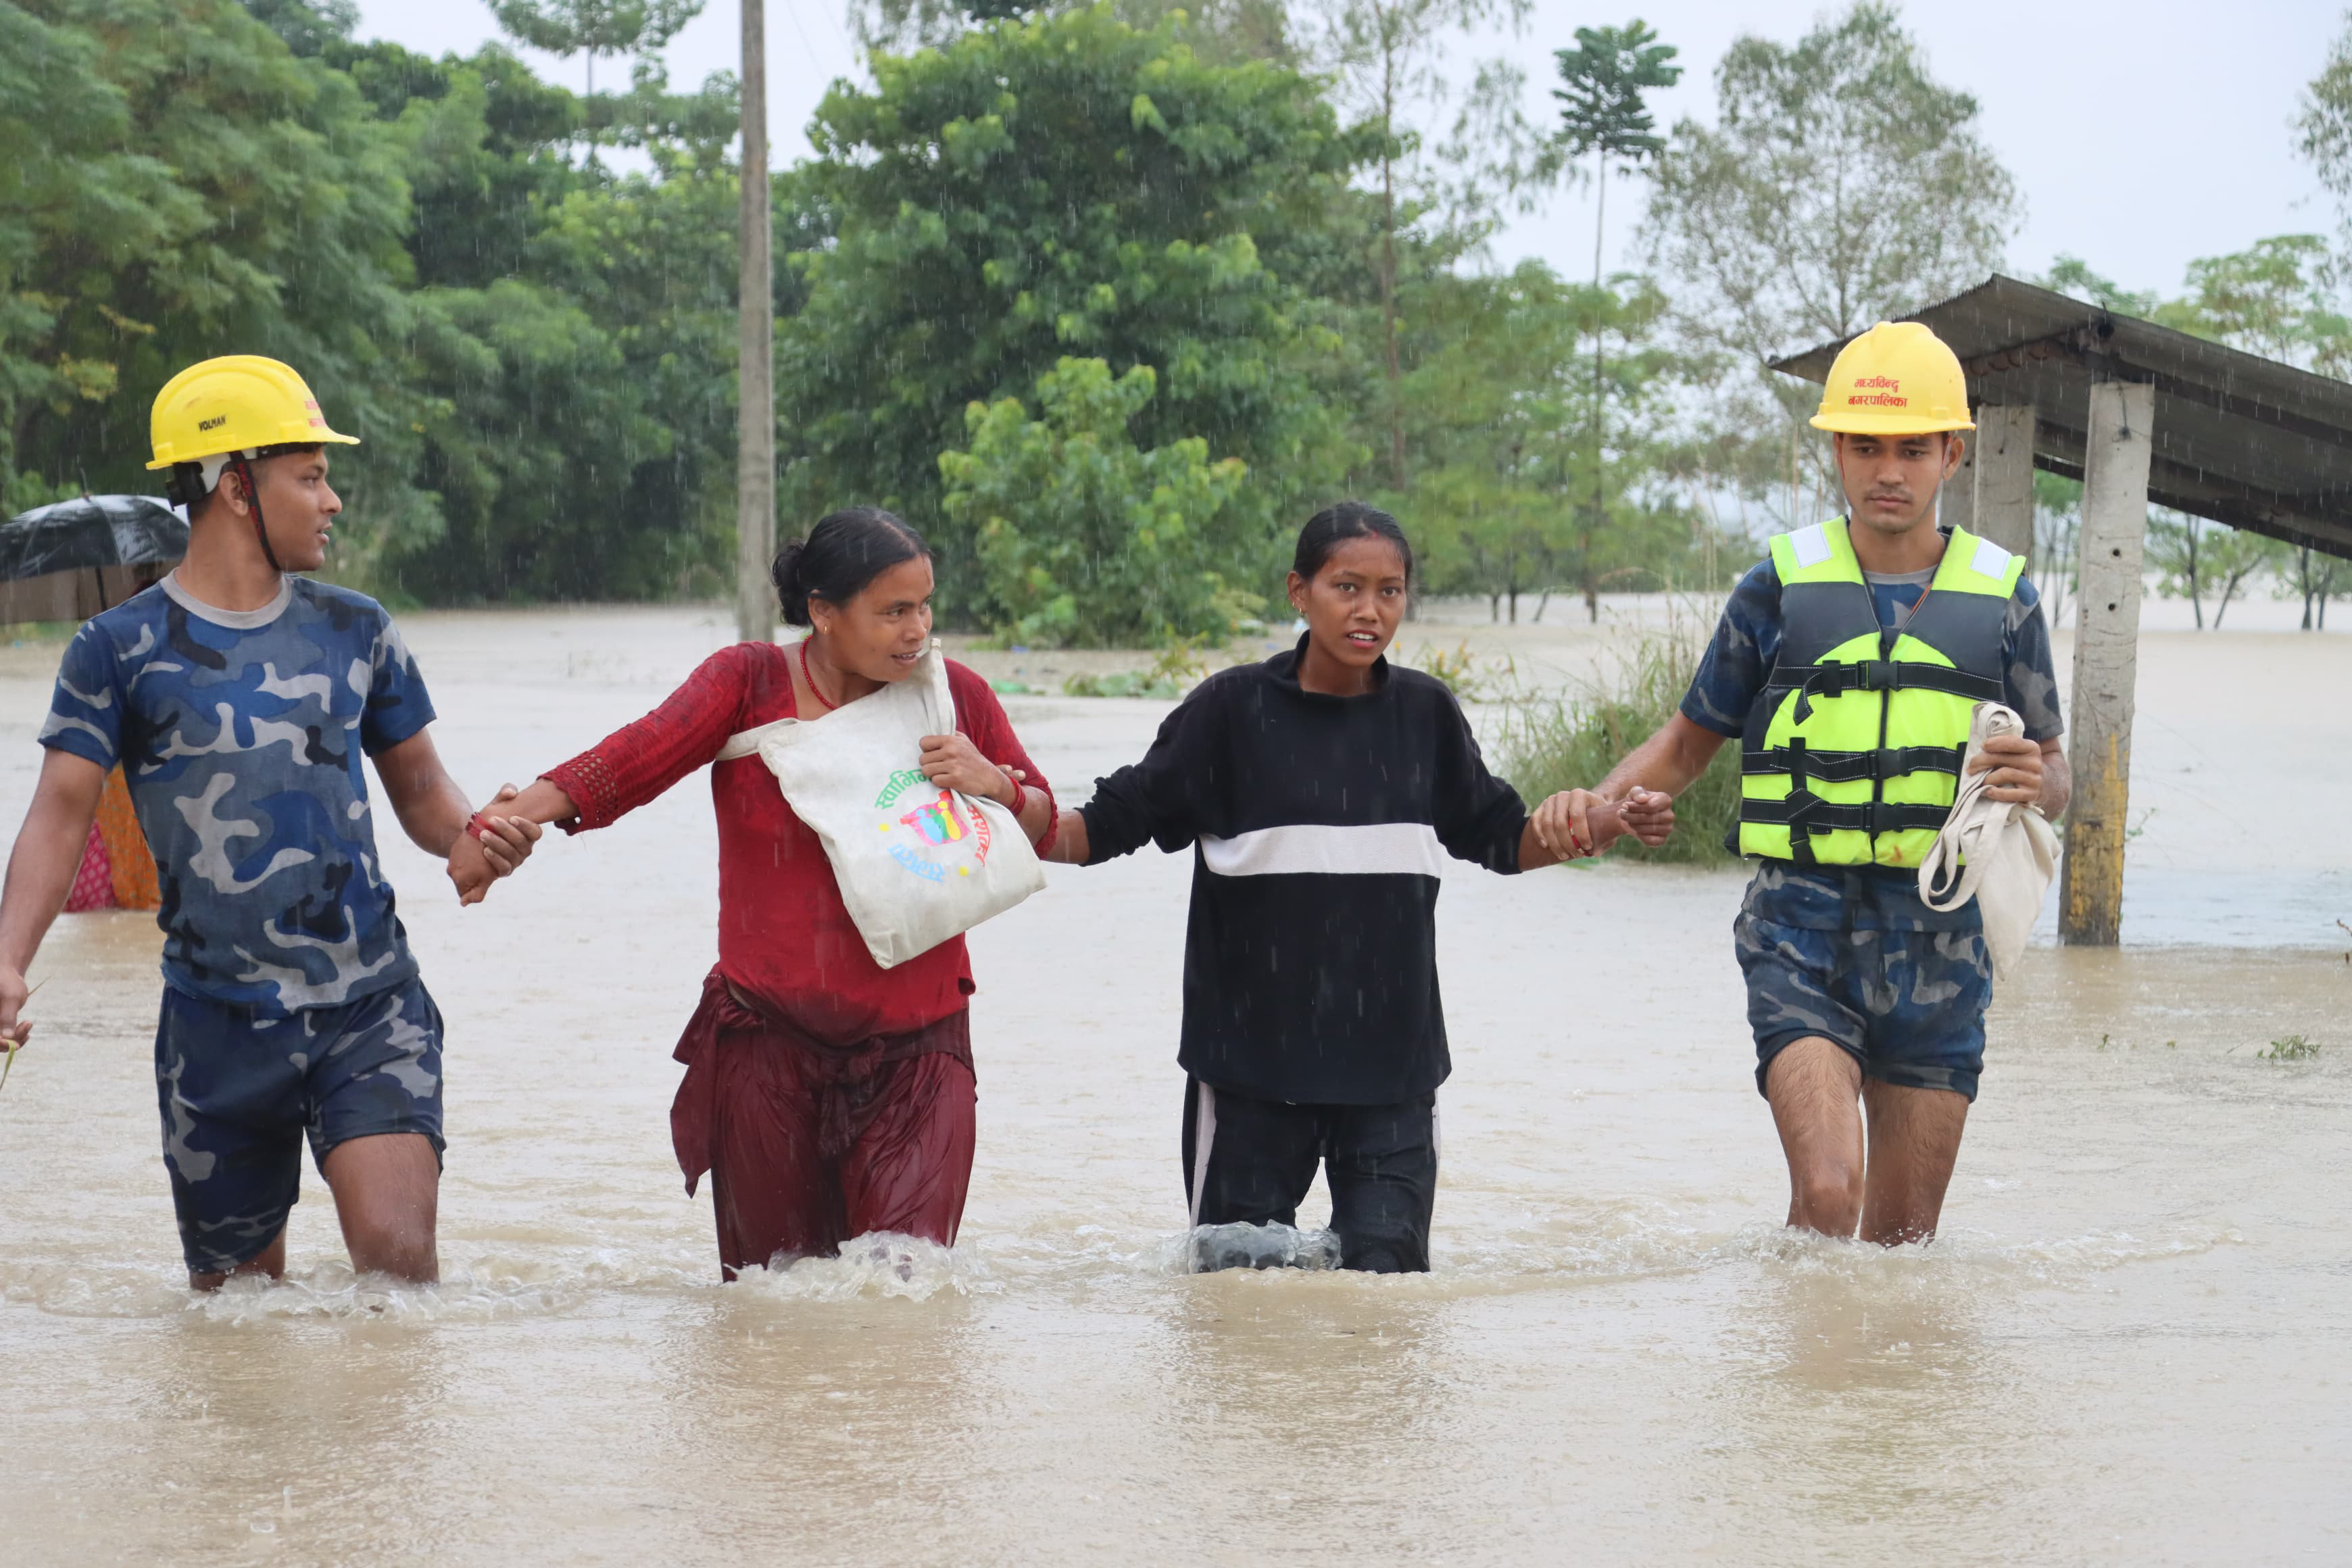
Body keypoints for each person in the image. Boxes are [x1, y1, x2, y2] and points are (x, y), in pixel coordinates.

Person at [0, 355, 539, 1289]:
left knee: (400, 1271)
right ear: (235, 484)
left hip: (369, 1004)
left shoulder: (357, 629)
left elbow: (419, 789)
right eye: (311, 475)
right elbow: (58, 817)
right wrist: (6, 964)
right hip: (214, 1025)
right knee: (238, 1316)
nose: (332, 500)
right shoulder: (116, 650)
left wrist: (471, 837)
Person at [1043, 502, 1660, 1274]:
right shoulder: (1229, 712)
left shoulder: (1426, 715)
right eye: (1347, 587)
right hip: (1247, 1078)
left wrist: (1596, 822)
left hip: (1392, 1078)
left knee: (1387, 1313)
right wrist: (1008, 808)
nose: (1371, 610)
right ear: (1298, 592)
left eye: (1391, 591)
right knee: (1235, 1311)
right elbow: (1105, 825)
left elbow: (1503, 837)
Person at [1557, 321, 2071, 1246]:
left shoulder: (2008, 601)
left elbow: (2057, 771)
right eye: (1866, 446)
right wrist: (1593, 814)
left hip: (1941, 945)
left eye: (1913, 449)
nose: (1889, 470)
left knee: (1903, 1245)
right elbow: (1685, 743)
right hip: (1801, 924)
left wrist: (2038, 777)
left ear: (1953, 452)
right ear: (1835, 449)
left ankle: (1859, 1395)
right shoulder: (1776, 589)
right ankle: (1795, 1379)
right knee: (1830, 1198)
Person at [462, 508, 1057, 1279]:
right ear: (821, 611)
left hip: (919, 1058)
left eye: (925, 606)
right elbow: (632, 759)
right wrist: (501, 824)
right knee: (771, 1310)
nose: (918, 630)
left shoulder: (954, 698)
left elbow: (1043, 823)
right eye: (893, 611)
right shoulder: (747, 683)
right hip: (767, 1051)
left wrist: (996, 782)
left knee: (905, 1300)